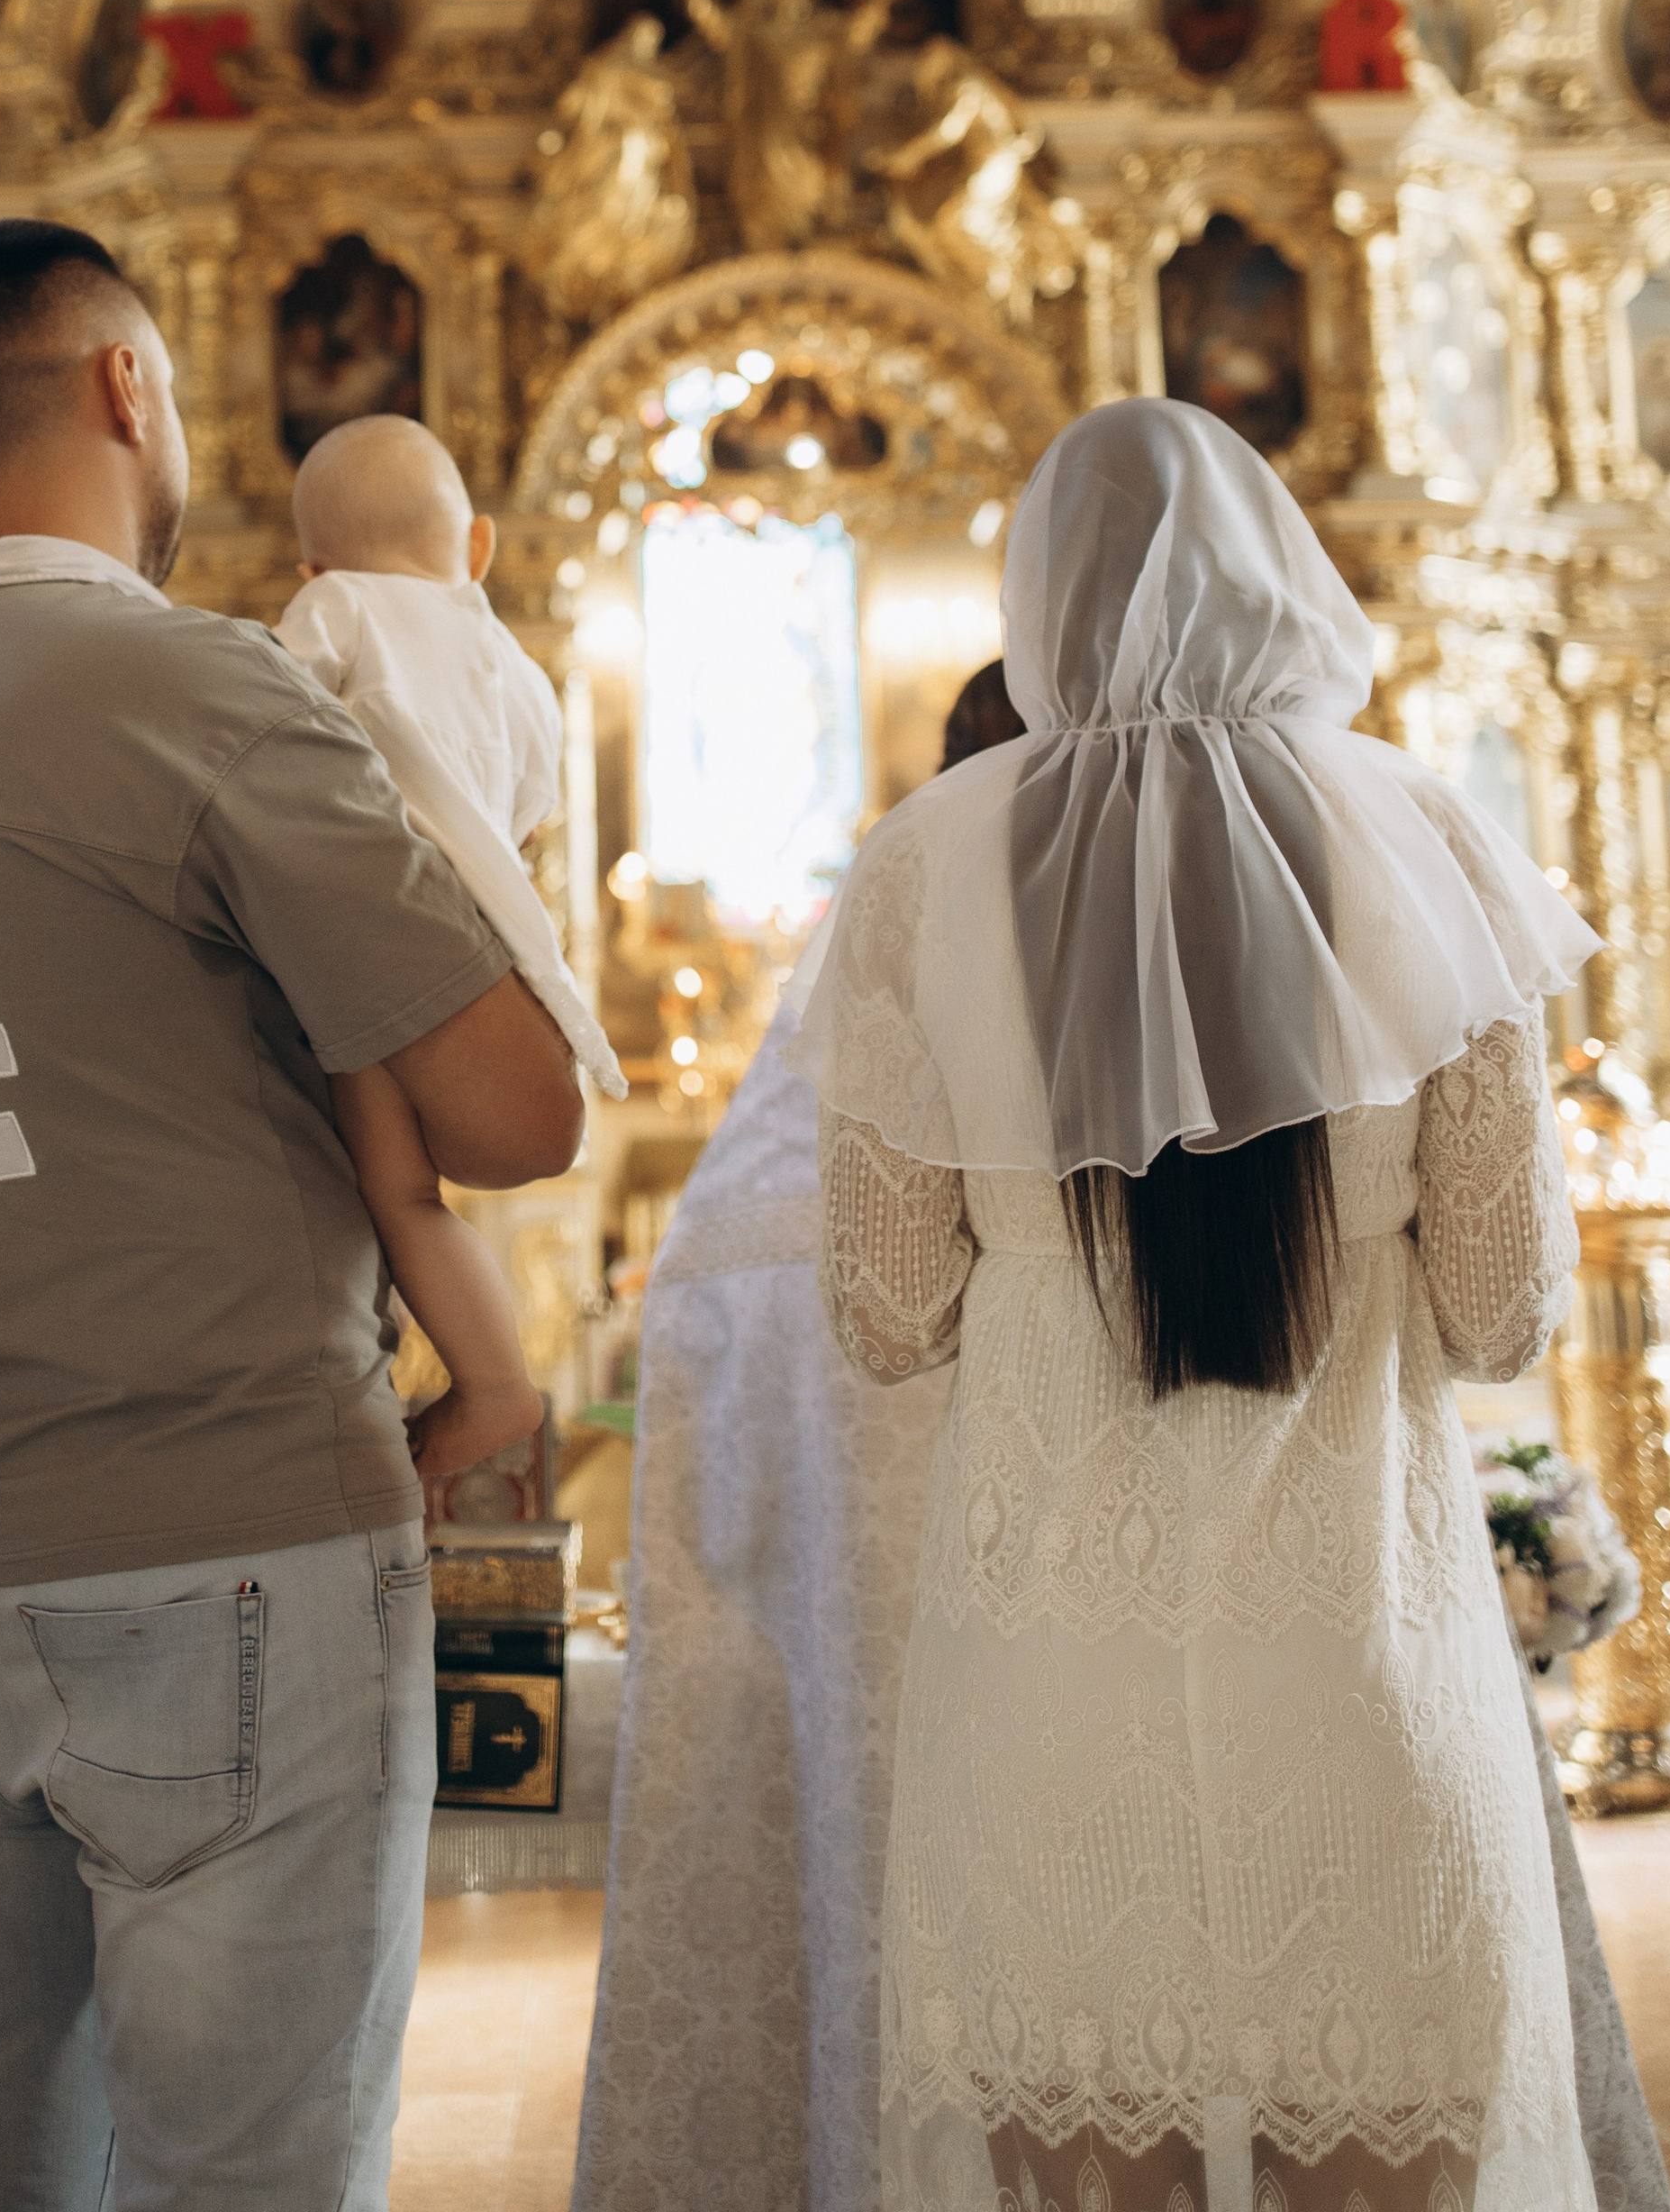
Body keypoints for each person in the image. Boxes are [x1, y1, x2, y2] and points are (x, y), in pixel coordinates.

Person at [0, 218, 581, 2212]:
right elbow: (520, 1109)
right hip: (230, 1544)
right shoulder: (188, 690)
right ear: (129, 386)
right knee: (248, 2177)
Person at [795, 399, 1610, 2212]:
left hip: (1042, 1685)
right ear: (1279, 574)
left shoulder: (926, 864)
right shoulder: (1423, 838)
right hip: (1358, 1667)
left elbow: (880, 1309)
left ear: (1036, 604)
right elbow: (1499, 1313)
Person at [573, 660, 1024, 2212]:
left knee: (854, 1869)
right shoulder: (1048, 926)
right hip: (1009, 1549)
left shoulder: (879, 941)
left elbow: (732, 1277)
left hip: (843, 1536)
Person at [278, 413, 626, 1485]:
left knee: (379, 1196)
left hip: (365, 932)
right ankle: (497, 1382)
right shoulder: (504, 655)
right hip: (480, 947)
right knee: (418, 1197)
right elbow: (526, 811)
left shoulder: (333, 605)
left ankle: (430, 1379)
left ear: (311, 562)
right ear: (476, 548)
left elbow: (270, 724)